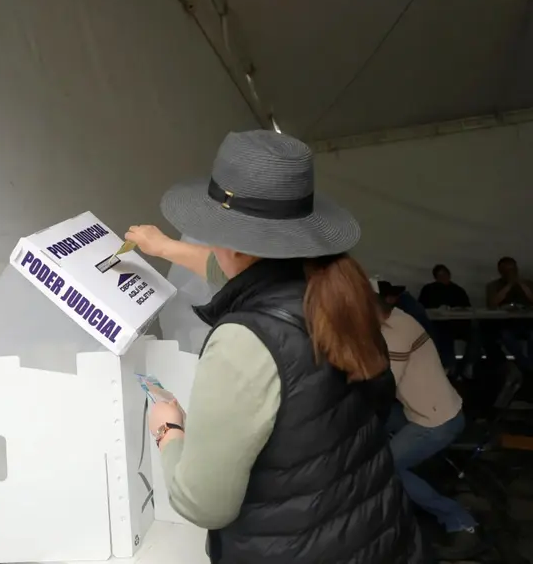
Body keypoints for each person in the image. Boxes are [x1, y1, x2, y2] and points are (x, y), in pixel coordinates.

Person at [125, 130, 425, 564]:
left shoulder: (244, 340)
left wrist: (168, 430)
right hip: (378, 533)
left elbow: (203, 504)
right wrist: (165, 247)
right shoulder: (342, 291)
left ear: (227, 241)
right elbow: (236, 271)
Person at [376, 282, 486, 560]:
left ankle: (460, 520)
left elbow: (382, 386)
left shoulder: (396, 332)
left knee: (386, 467)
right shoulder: (397, 317)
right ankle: (390, 498)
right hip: (425, 409)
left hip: (435, 421)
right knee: (374, 425)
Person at [418, 265, 480, 374]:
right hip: (438, 324)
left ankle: (468, 364)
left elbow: (467, 308)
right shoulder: (428, 290)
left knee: (476, 332)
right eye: (440, 276)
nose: (443, 278)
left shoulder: (458, 290)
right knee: (444, 333)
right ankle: (449, 366)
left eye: (445, 275)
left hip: (458, 324)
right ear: (435, 277)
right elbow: (421, 308)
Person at [485, 257, 533, 371]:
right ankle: (526, 365)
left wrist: (521, 284)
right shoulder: (493, 285)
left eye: (513, 270)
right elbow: (492, 304)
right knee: (506, 336)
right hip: (506, 323)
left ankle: (531, 364)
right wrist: (509, 285)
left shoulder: (529, 284)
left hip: (528, 321)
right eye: (506, 270)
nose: (511, 273)